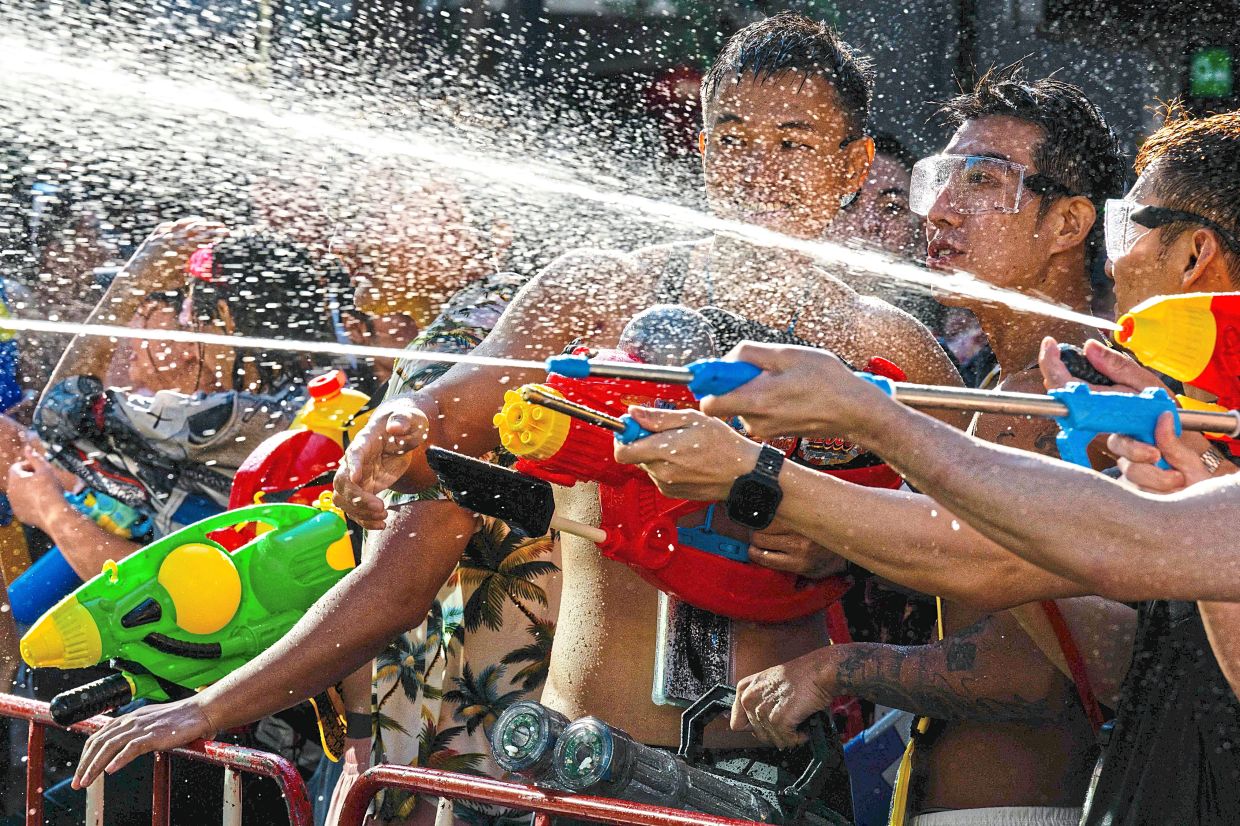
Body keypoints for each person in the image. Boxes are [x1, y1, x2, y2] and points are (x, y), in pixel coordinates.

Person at [71, 14, 965, 822]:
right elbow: (430, 462)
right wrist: (208, 706)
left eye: (793, 140)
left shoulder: (889, 351)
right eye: (732, 135)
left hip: (777, 785)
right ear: (697, 147)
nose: (757, 165)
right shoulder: (598, 293)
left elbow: (984, 564)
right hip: (583, 774)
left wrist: (847, 537)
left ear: (854, 163)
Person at [618, 107, 1240, 825]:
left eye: (979, 180)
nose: (940, 210)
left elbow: (1007, 580)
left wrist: (787, 465)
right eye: (938, 180)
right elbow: (1131, 620)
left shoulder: (1096, 400)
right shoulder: (1152, 409)